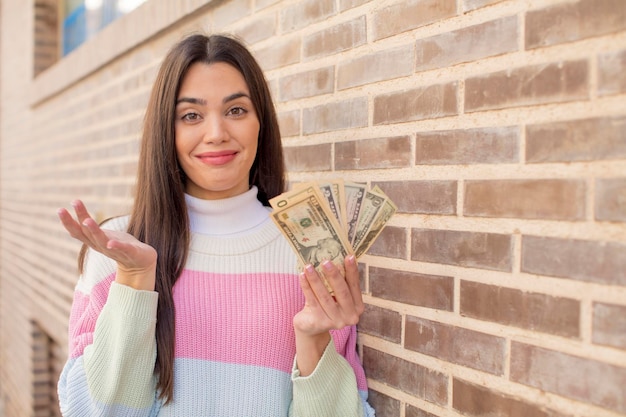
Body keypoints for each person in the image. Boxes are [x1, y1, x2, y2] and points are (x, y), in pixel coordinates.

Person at [56, 33, 375, 417]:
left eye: (236, 110)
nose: (216, 133)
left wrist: (313, 340)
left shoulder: (311, 248)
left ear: (262, 122)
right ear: (166, 132)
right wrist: (135, 280)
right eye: (191, 115)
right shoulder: (120, 249)